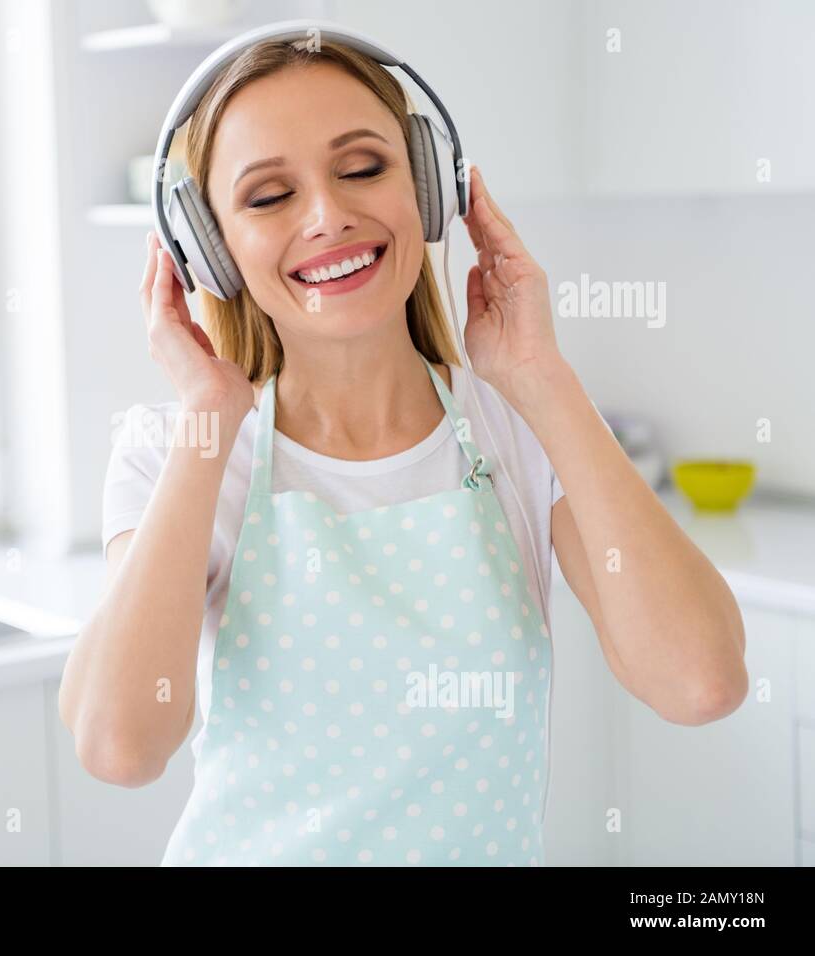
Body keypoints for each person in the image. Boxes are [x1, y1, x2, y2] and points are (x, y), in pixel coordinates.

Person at [59, 33, 747, 866]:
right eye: (270, 195)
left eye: (361, 169)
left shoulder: (518, 425)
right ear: (210, 249)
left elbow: (700, 683)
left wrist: (542, 377)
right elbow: (119, 746)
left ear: (425, 186)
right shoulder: (180, 450)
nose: (326, 216)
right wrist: (209, 409)